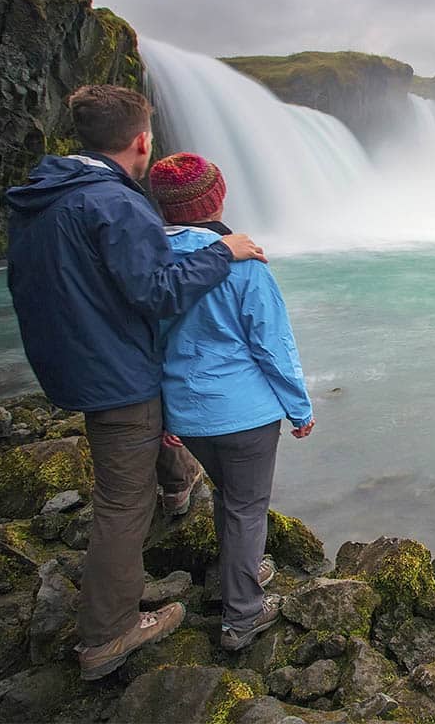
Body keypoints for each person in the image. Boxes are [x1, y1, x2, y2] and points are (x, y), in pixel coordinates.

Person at [5, 85, 266, 680]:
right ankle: (108, 633)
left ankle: (178, 489)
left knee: (151, 433)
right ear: (142, 140)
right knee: (121, 504)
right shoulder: (113, 203)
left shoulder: (46, 196)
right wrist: (224, 251)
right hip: (115, 372)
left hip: (70, 359)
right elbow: (157, 291)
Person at [149, 152, 315, 651]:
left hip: (186, 413)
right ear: (218, 197)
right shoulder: (244, 263)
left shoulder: (146, 262)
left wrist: (163, 409)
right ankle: (242, 615)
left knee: (228, 494)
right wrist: (299, 407)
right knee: (247, 507)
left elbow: (144, 342)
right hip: (244, 412)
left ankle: (235, 573)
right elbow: (271, 342)